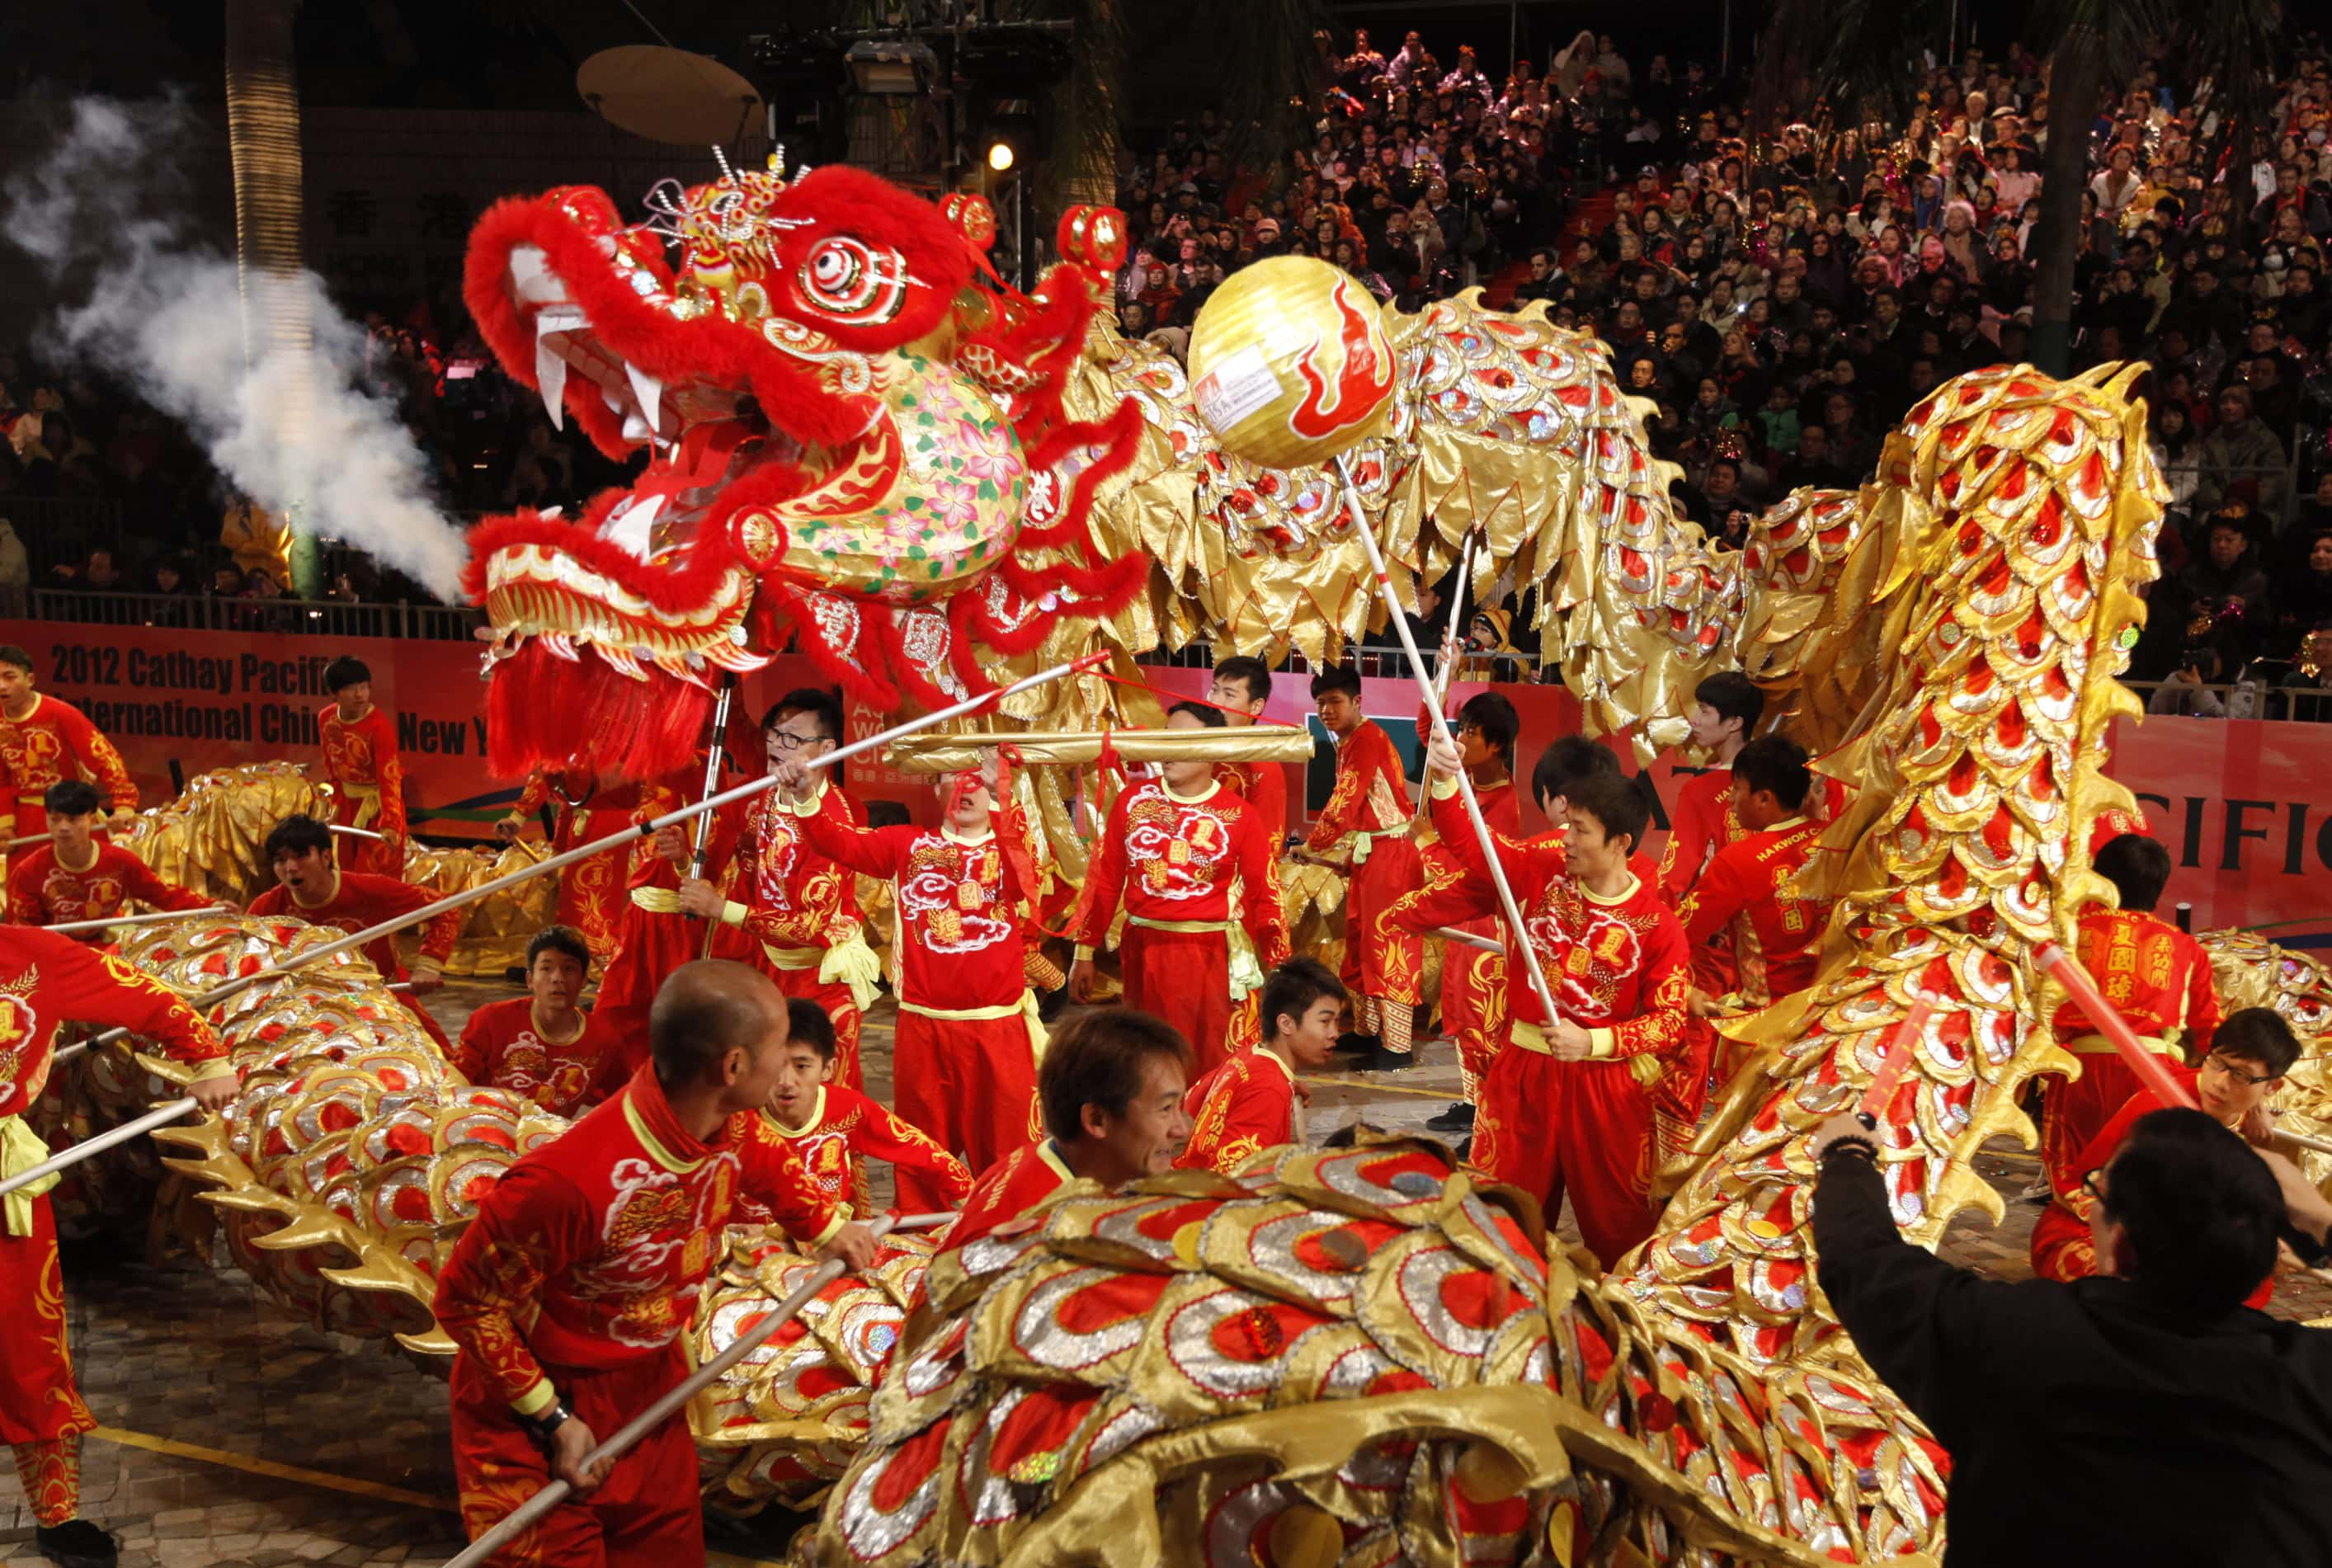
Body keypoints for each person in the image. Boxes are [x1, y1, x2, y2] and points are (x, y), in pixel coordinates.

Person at [434, 961, 875, 1568]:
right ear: (734, 1067)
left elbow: (765, 1162)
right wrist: (552, 1416)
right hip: (537, 1416)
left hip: (651, 1391)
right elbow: (464, 1300)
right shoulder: (567, 1181)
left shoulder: (727, 1119)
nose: (787, 1066)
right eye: (779, 1048)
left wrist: (827, 1227)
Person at [1811, 1099, 2332, 1566]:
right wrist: (2323, 1221)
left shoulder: (2013, 1335)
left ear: (2120, 1239)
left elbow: (1862, 1257)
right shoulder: (2311, 1379)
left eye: (2100, 1193)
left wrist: (1848, 1156)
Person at [2, 925, 239, 1568]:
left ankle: (57, 1514)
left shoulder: (34, 956)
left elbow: (152, 999)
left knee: (30, 1352)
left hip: (7, 1194)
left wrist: (207, 1058)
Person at [1425, 742, 1689, 1266]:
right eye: (1567, 824)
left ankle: (1615, 1331)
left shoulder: (1657, 924)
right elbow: (1475, 848)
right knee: (1503, 1217)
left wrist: (1594, 1040)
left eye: (1580, 830)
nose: (1564, 840)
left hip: (1608, 1089)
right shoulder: (1541, 875)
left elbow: (1670, 1022)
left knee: (1621, 1226)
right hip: (1524, 1075)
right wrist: (1445, 781)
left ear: (1621, 843)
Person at [784, 747, 1044, 1194]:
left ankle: (1005, 1236)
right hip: (924, 1029)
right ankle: (919, 1246)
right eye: (951, 777)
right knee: (923, 1152)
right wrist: (807, 795)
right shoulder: (906, 844)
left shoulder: (1011, 850)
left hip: (998, 1029)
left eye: (977, 778)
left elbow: (1029, 885)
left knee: (1007, 1153)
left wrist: (1002, 793)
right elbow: (837, 841)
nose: (965, 788)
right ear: (932, 785)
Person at [1069, 703, 1289, 1079]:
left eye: (1181, 738)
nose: (1168, 748)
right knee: (1147, 1056)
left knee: (1207, 1060)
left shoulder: (1238, 815)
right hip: (1144, 952)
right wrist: (1084, 950)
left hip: (1209, 957)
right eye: (1165, 735)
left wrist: (1283, 969)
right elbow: (1104, 879)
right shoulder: (1134, 803)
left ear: (1212, 749)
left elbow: (1266, 895)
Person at [676, 691, 875, 1090]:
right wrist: (685, 859)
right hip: (767, 964)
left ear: (827, 748)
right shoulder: (759, 798)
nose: (778, 746)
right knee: (761, 1084)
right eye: (775, 734)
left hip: (820, 972)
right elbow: (719, 870)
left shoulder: (837, 820)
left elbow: (809, 925)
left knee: (821, 1092)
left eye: (794, 739)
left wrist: (722, 909)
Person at [2031, 1007, 2299, 1300]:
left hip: (2184, 1238)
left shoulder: (2245, 1120)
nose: (2220, 1083)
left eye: (2242, 1076)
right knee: (2147, 1290)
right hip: (2096, 1231)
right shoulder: (2158, 1107)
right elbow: (2090, 1193)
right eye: (2217, 1063)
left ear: (2273, 1086)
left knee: (2253, 1283)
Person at [1670, 736, 1837, 1162]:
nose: (1730, 805)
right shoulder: (1837, 843)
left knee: (1747, 1154)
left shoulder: (1740, 860)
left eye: (1738, 791)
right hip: (1830, 1027)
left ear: (1764, 798)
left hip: (1764, 1035)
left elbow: (1678, 934)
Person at [2033, 832, 2223, 1196]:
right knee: (2147, 1185)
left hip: (2079, 1074)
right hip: (2154, 1075)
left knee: (2077, 1184)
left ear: (2099, 880)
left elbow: (2038, 1008)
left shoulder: (2070, 936)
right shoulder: (2185, 947)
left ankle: (2083, 1248)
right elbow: (2209, 1028)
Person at [937, 1010, 1194, 1260]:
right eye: (1165, 1109)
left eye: (1178, 1107)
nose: (1181, 1130)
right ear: (1096, 1120)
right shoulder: (1037, 1240)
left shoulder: (1076, 1168)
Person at [1387, 693, 1522, 1133]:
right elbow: (1430, 735)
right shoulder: (1461, 775)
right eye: (1459, 728)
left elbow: (1479, 877)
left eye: (1470, 732)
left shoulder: (1502, 805)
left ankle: (1490, 1121)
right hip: (1458, 922)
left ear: (1496, 746)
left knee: (1482, 1021)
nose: (1458, 738)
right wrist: (1439, 688)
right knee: (1461, 1018)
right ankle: (1470, 1102)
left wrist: (1426, 842)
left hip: (1482, 924)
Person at [247, 814, 459, 1051]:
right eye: (280, 860)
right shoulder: (266, 909)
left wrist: (428, 965)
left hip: (381, 997)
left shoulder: (372, 890)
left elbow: (446, 909)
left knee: (446, 1061)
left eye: (301, 856)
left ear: (326, 857)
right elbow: (238, 958)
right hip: (305, 1011)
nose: (291, 868)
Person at [749, 996, 972, 1220]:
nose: (787, 1081)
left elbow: (921, 1151)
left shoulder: (849, 1110)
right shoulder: (737, 1119)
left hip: (831, 1244)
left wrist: (972, 1196)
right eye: (776, 1065)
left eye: (802, 1066)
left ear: (828, 1069)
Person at [1303, 667, 1425, 1071]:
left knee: (1389, 947)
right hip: (1371, 851)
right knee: (1360, 943)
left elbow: (1343, 803)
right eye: (1320, 703)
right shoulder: (1351, 740)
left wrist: (1311, 844)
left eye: (1335, 702)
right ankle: (1371, 1032)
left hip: (1390, 855)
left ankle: (1398, 1046)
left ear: (1358, 702)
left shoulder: (1364, 740)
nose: (1326, 710)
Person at [1177, 958, 1345, 1175]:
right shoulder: (1269, 1089)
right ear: (1286, 1024)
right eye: (1325, 1021)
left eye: (1338, 1021)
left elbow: (1195, 1101)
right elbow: (1235, 1178)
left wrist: (1284, 1085)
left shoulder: (1248, 1055)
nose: (1335, 1033)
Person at [6, 779, 216, 938]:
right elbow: (22, 933)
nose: (63, 828)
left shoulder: (119, 862)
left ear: (93, 818)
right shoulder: (28, 871)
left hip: (107, 947)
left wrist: (210, 907)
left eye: (72, 820)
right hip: (54, 951)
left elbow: (162, 894)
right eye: (55, 819)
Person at [453, 926, 620, 1118]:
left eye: (569, 969)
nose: (558, 978)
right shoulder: (490, 1021)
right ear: (530, 979)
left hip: (549, 1140)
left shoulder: (604, 1039)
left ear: (584, 980)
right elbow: (454, 1085)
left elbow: (622, 1100)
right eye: (546, 968)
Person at [0, 644, 137, 872]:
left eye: (9, 677)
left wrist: (124, 805)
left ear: (30, 679)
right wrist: (5, 822)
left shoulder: (60, 713)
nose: (2, 686)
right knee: (26, 891)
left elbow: (104, 756)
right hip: (26, 822)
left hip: (71, 814)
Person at [498, 766, 632, 965]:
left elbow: (548, 773)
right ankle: (575, 958)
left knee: (588, 896)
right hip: (589, 814)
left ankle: (594, 959)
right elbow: (566, 800)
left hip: (606, 817)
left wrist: (519, 816)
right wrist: (558, 852)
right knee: (575, 895)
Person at [1658, 671, 1761, 902]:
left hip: (1720, 919)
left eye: (1705, 711)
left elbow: (1676, 875)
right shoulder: (1778, 777)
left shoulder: (1701, 789)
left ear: (1735, 723)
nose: (1694, 719)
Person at [316, 656, 408, 877]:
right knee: (347, 873)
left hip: (378, 809)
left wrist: (390, 824)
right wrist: (335, 807)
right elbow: (332, 767)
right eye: (351, 689)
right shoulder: (326, 719)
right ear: (334, 693)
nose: (360, 695)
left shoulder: (379, 727)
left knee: (374, 878)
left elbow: (390, 779)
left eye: (364, 687)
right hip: (347, 806)